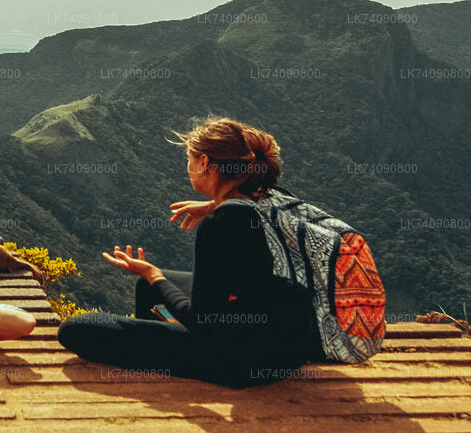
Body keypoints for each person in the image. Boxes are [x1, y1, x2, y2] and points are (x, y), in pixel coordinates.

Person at [57, 116, 319, 388]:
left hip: (244, 360)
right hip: (293, 341)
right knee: (146, 287)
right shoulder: (272, 197)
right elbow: (245, 210)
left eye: (190, 160)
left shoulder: (218, 224)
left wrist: (154, 275)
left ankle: (175, 355)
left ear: (204, 162)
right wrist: (212, 204)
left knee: (76, 329)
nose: (189, 168)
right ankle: (167, 344)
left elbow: (202, 320)